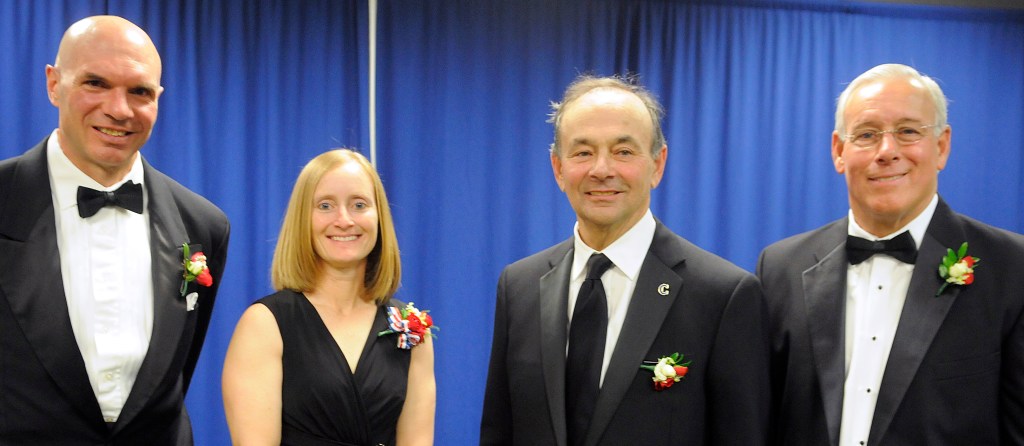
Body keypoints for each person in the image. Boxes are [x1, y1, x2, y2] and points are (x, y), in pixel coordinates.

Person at [480, 75, 769, 446]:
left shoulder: (722, 295)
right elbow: (499, 431)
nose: (602, 169)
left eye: (623, 151)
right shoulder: (518, 287)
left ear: (657, 165)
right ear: (558, 168)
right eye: (583, 152)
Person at [758, 63, 1024, 445]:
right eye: (867, 134)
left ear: (942, 146)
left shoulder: (1012, 270)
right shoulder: (780, 268)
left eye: (908, 132)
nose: (887, 151)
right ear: (838, 151)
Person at [0, 15, 230, 444]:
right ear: (53, 84)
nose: (119, 109)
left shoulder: (203, 224)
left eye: (139, 91)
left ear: (159, 98)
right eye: (96, 83)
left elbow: (176, 374)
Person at [222, 149, 435, 445]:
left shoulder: (412, 329)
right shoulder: (264, 325)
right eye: (325, 205)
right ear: (302, 220)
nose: (344, 220)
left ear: (379, 217)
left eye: (359, 204)